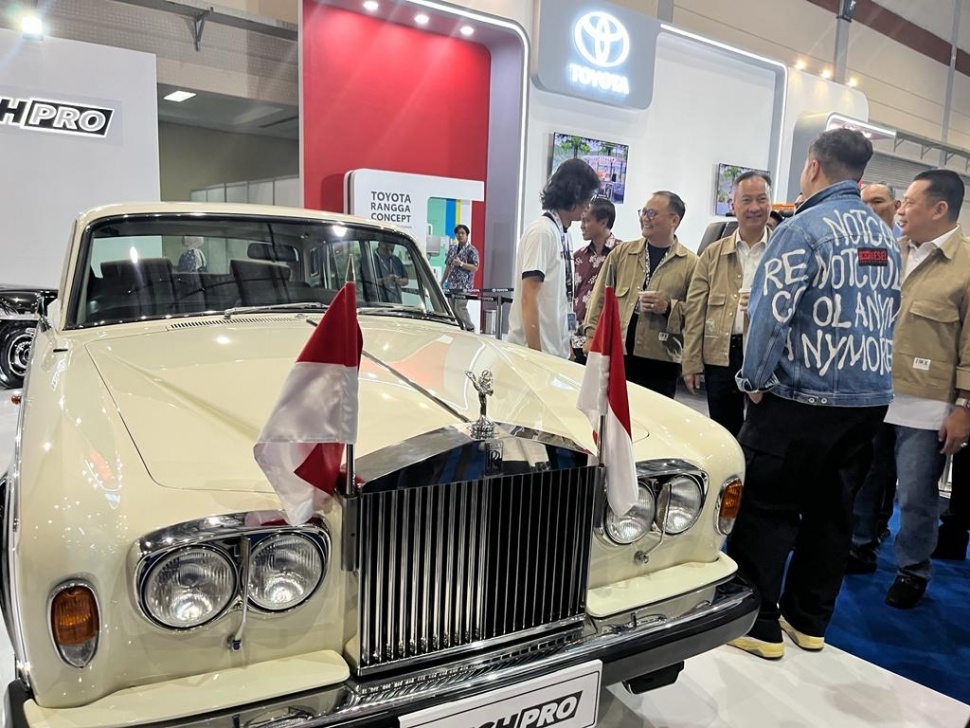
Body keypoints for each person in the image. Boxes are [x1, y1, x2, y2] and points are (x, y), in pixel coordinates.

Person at [729, 128, 901, 659]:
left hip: (800, 399)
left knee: (768, 508)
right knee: (833, 512)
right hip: (868, 400)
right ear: (861, 174)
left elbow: (769, 314)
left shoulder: (803, 229)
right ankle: (809, 622)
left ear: (812, 167)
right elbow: (889, 314)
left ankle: (758, 624)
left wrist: (753, 381)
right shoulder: (886, 237)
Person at [851, 169, 970, 609]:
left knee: (917, 497)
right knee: (866, 481)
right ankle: (861, 546)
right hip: (875, 391)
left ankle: (912, 570)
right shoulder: (884, 252)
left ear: (940, 209)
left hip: (928, 404)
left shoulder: (965, 267)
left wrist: (965, 407)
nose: (900, 210)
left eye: (910, 203)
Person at [583, 191, 697, 398]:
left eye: (652, 213)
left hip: (661, 359)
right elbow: (599, 298)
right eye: (643, 212)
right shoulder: (622, 253)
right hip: (618, 353)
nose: (645, 218)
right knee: (612, 422)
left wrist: (668, 307)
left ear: (674, 220)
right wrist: (591, 335)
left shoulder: (691, 264)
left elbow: (698, 314)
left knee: (653, 422)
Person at [683, 171, 771, 436]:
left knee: (763, 429)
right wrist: (691, 362)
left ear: (770, 203)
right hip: (720, 354)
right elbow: (695, 309)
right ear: (733, 205)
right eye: (746, 200)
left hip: (766, 352)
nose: (754, 207)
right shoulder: (713, 253)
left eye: (761, 199)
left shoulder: (784, 249)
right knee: (723, 430)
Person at [508, 158, 601, 358]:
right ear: (576, 193)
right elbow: (529, 296)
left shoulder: (564, 233)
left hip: (554, 350)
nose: (588, 203)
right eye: (588, 196)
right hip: (534, 352)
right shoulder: (542, 232)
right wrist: (535, 355)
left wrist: (565, 343)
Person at [572, 197, 619, 363]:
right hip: (576, 341)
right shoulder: (578, 257)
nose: (582, 226)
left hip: (606, 342)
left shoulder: (623, 255)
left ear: (603, 222)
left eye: (586, 220)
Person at [442, 224, 479, 331]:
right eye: (458, 233)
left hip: (464, 285)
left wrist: (461, 264)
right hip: (452, 284)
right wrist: (442, 281)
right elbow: (448, 266)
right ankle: (459, 328)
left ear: (467, 235)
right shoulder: (452, 249)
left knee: (460, 308)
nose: (460, 235)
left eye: (463, 233)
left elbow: (475, 267)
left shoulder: (472, 250)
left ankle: (470, 327)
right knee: (453, 309)